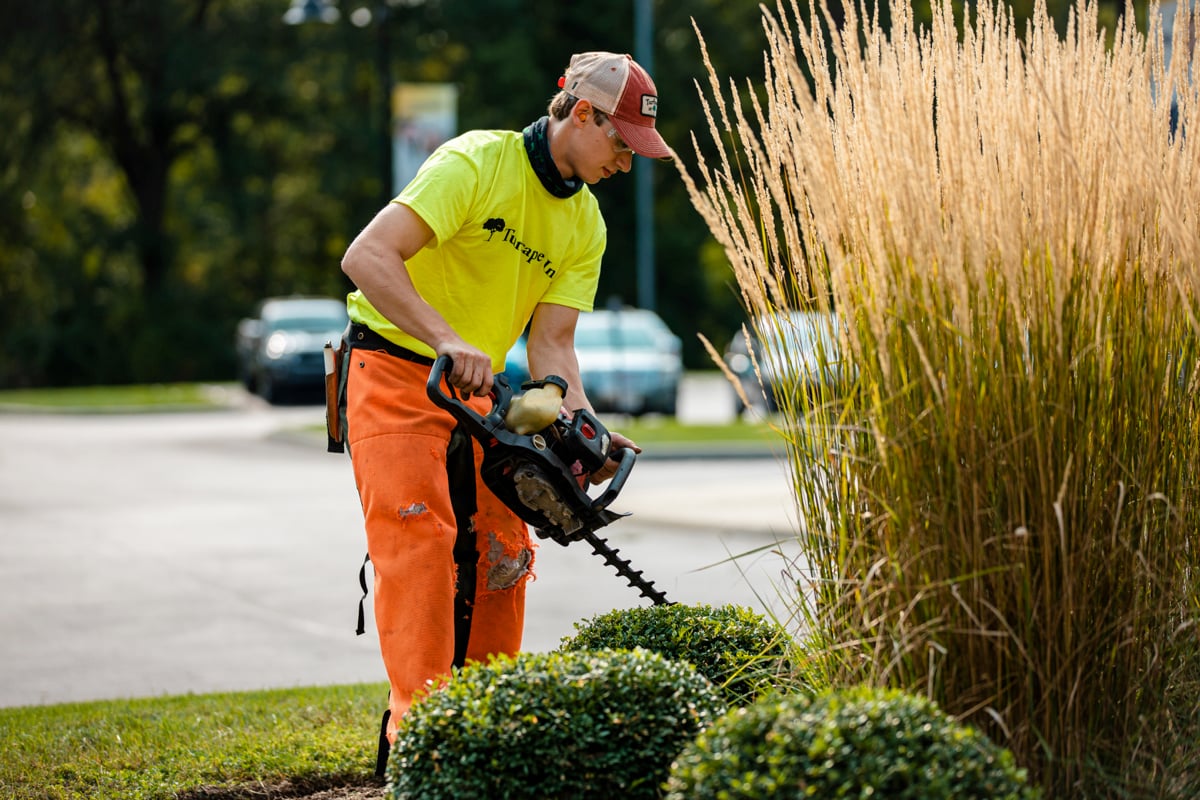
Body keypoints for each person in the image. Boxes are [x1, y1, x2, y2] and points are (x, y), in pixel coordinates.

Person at [336, 51, 671, 753]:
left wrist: (585, 427)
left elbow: (553, 349)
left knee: (505, 549)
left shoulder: (585, 223)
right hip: (395, 365)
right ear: (583, 113)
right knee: (418, 541)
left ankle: (486, 732)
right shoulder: (475, 163)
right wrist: (445, 339)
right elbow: (368, 256)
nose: (626, 161)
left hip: (480, 388)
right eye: (621, 142)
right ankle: (422, 738)